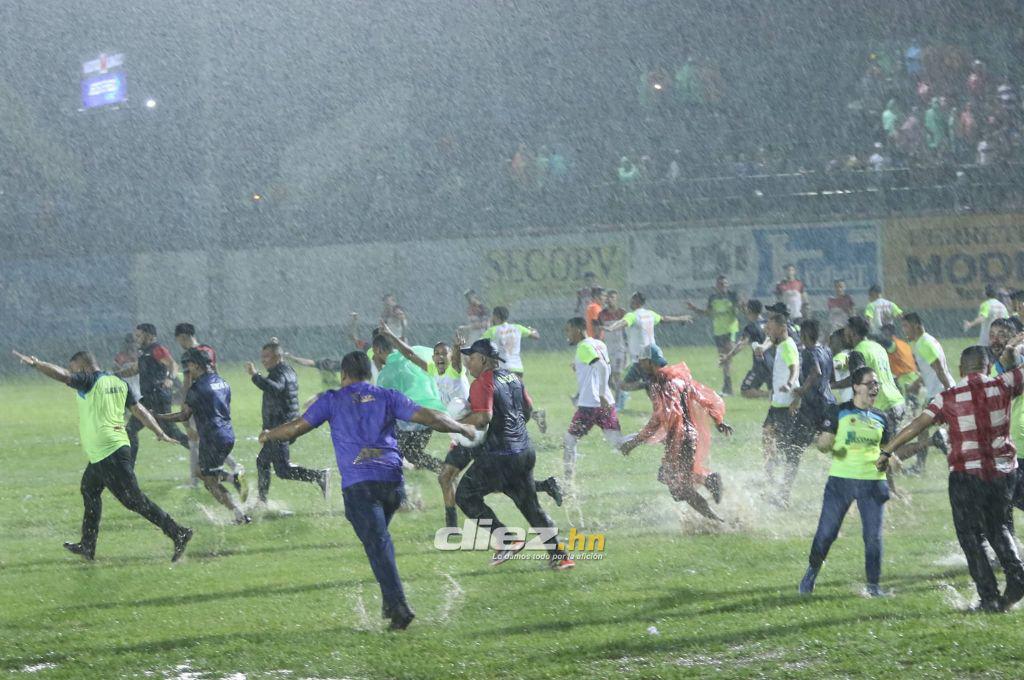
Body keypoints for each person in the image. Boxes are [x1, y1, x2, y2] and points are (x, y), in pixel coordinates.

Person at [260, 351, 476, 630]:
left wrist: (268, 434)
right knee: (375, 542)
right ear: (368, 373)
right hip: (392, 485)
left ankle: (399, 607)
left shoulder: (332, 399)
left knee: (378, 542)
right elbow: (430, 417)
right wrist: (461, 427)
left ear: (343, 375)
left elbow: (295, 429)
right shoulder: (387, 396)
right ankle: (390, 602)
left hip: (359, 486)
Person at [878, 343, 1024, 612]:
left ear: (960, 369)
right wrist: (1014, 348)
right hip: (1004, 474)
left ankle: (989, 598)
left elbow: (916, 426)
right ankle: (1017, 574)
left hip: (966, 476)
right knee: (998, 526)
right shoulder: (1004, 384)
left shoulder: (948, 396)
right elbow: (1019, 370)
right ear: (988, 366)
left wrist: (888, 450)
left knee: (971, 537)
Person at [12, 349, 193, 562]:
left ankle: (177, 532)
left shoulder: (90, 380)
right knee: (89, 489)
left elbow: (63, 376)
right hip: (105, 452)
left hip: (110, 453)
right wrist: (159, 432)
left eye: (75, 369)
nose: (74, 374)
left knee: (134, 500)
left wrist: (37, 363)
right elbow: (139, 410)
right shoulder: (118, 382)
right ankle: (87, 545)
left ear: (82, 366)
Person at [454, 339, 574, 570]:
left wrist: (455, 423)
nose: (468, 363)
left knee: (465, 495)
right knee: (530, 506)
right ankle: (560, 555)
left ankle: (506, 539)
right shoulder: (513, 378)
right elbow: (527, 410)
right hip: (524, 451)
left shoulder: (482, 382)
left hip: (500, 454)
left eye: (471, 358)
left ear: (484, 359)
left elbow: (483, 417)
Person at [798, 367, 894, 597]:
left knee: (873, 538)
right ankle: (812, 572)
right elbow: (823, 445)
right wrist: (823, 441)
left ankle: (873, 587)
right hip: (840, 483)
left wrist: (890, 468)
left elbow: (886, 451)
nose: (875, 388)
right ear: (856, 387)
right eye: (870, 383)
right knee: (826, 533)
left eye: (876, 384)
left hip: (873, 484)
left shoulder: (882, 418)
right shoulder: (837, 412)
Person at [620, 347, 733, 521]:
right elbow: (702, 397)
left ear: (651, 362)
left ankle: (714, 510)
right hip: (687, 435)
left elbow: (659, 418)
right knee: (672, 479)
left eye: (642, 362)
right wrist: (718, 420)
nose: (640, 366)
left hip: (680, 438)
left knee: (679, 486)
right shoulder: (678, 378)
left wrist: (634, 442)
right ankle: (709, 487)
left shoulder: (661, 384)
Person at [158, 348, 249, 524]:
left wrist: (159, 417)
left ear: (196, 365)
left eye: (189, 365)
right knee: (201, 471)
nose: (188, 369)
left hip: (212, 437)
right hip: (227, 435)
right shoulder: (223, 382)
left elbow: (184, 415)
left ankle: (239, 513)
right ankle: (233, 482)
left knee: (209, 481)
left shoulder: (197, 387)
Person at [246, 342, 329, 506]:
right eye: (262, 357)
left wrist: (255, 375)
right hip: (286, 426)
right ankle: (319, 476)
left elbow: (275, 388)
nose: (263, 360)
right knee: (282, 470)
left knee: (263, 462)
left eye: (267, 357)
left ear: (277, 357)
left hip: (281, 429)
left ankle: (261, 502)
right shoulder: (287, 370)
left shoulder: (279, 373)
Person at [373, 325, 448, 476]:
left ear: (378, 350)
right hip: (436, 412)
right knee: (413, 454)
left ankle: (398, 489)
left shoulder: (386, 374)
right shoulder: (419, 351)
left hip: (415, 415)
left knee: (394, 451)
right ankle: (447, 470)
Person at [173, 322, 240, 487]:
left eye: (179, 340)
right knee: (207, 440)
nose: (180, 344)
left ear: (183, 337)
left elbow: (187, 383)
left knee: (196, 440)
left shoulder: (189, 355)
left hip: (199, 400)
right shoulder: (208, 350)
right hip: (214, 398)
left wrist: (184, 407)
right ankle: (233, 467)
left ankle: (196, 479)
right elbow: (216, 374)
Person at [563, 317, 626, 482]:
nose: (567, 334)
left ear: (577, 330)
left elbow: (602, 366)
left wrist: (600, 393)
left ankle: (568, 483)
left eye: (568, 330)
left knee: (570, 439)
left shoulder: (583, 347)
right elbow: (604, 367)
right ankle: (651, 436)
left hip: (590, 405)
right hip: (606, 403)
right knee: (618, 443)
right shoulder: (599, 344)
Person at [117, 323, 189, 464]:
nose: (136, 339)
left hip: (158, 396)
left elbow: (173, 365)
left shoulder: (157, 349)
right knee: (131, 431)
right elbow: (134, 370)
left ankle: (201, 452)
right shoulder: (143, 352)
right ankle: (128, 469)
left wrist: (170, 378)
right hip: (148, 398)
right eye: (135, 336)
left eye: (139, 335)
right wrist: (115, 375)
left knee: (170, 431)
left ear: (149, 335)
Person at [784, 320, 836, 505]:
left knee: (793, 450)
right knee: (832, 447)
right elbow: (832, 378)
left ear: (805, 335)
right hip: (829, 405)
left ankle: (784, 494)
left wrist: (802, 390)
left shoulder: (808, 353)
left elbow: (816, 371)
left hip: (812, 408)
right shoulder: (827, 351)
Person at [897, 313, 954, 472]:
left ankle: (920, 465)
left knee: (921, 429)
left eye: (906, 326)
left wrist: (950, 392)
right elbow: (931, 369)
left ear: (916, 325)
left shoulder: (923, 344)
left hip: (940, 394)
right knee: (950, 430)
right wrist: (916, 384)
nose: (904, 330)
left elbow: (940, 369)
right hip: (939, 393)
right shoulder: (927, 340)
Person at [481, 306, 547, 433]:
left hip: (502, 368)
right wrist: (532, 330)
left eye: (493, 316)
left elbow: (479, 344)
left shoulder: (493, 330)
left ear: (496, 316)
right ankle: (534, 414)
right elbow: (536, 336)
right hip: (517, 367)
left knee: (501, 398)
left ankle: (502, 425)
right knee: (519, 395)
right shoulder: (517, 327)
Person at [836, 316, 906, 433]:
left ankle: (933, 440)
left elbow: (856, 380)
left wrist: (832, 385)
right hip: (897, 401)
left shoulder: (857, 352)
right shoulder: (878, 347)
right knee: (890, 448)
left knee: (876, 449)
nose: (844, 334)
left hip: (882, 408)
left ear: (853, 332)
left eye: (846, 330)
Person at [762, 313, 801, 504]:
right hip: (777, 404)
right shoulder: (781, 343)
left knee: (789, 451)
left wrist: (789, 382)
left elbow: (795, 369)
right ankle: (771, 478)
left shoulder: (788, 347)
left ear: (782, 328)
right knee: (767, 437)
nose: (768, 331)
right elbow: (770, 339)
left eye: (770, 328)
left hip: (786, 406)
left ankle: (784, 493)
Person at [688, 275, 741, 395]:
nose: (723, 286)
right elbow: (708, 313)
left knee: (728, 357)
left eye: (725, 284)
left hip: (730, 330)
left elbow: (739, 309)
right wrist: (694, 309)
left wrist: (740, 307)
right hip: (718, 331)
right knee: (723, 359)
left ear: (728, 285)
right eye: (720, 284)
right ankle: (727, 386)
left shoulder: (732, 296)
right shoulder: (713, 298)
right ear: (716, 286)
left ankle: (729, 385)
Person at [608, 291, 692, 365]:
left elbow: (623, 322)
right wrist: (680, 318)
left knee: (632, 380)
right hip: (652, 351)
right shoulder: (650, 314)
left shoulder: (632, 315)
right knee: (653, 377)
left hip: (639, 355)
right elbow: (664, 319)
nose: (630, 302)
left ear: (636, 302)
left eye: (631, 300)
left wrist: (611, 328)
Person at [720, 299, 770, 399]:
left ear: (750, 310)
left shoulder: (751, 327)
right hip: (774, 364)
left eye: (747, 308)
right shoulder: (768, 323)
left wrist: (728, 356)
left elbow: (742, 344)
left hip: (761, 366)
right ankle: (773, 394)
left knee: (745, 390)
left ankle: (770, 395)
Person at [598, 290, 629, 410]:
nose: (610, 300)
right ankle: (622, 393)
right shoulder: (602, 314)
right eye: (608, 298)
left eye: (613, 298)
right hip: (608, 349)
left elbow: (627, 332)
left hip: (620, 349)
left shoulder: (622, 312)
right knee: (608, 379)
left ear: (617, 299)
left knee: (617, 375)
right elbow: (599, 332)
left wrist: (627, 349)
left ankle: (618, 403)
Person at [879, 323, 920, 408]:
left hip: (905, 379)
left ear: (888, 333)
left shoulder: (892, 345)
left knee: (908, 408)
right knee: (913, 405)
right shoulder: (903, 343)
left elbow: (885, 342)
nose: (882, 335)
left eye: (883, 334)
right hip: (914, 376)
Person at [829, 329, 854, 404]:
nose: (829, 346)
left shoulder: (838, 358)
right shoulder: (852, 355)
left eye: (831, 342)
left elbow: (833, 386)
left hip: (842, 403)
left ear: (839, 342)